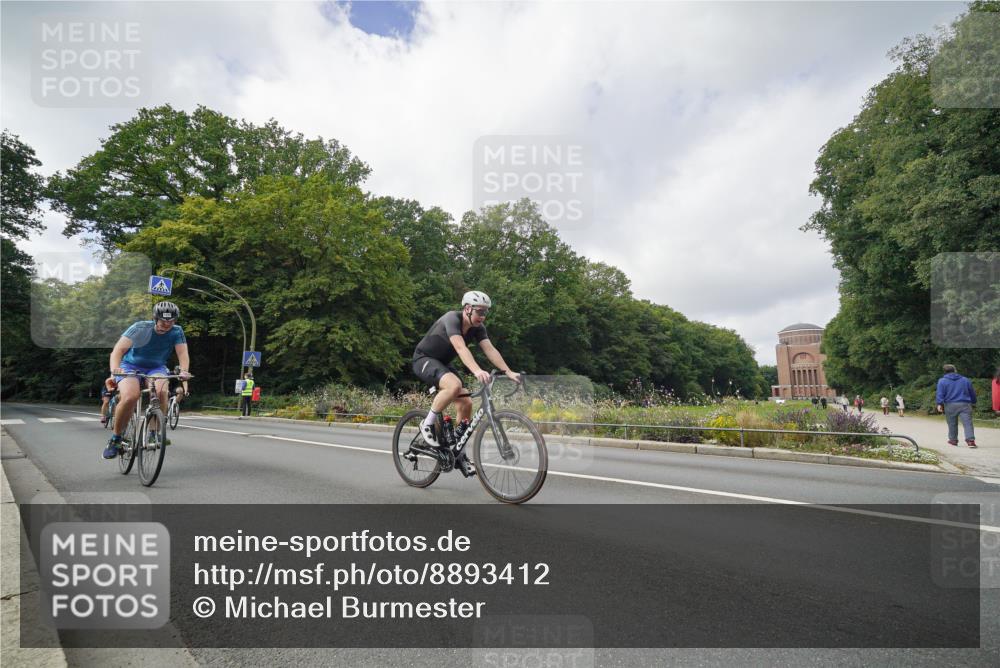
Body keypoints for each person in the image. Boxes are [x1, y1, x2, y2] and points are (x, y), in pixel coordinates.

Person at [411, 291, 520, 476]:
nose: (483, 316)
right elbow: (461, 348)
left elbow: (490, 349)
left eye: (486, 312)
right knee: (453, 386)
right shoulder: (451, 319)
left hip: (443, 364)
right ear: (467, 309)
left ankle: (458, 453)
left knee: (466, 402)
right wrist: (477, 371)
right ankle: (427, 424)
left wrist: (508, 371)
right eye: (479, 311)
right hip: (424, 359)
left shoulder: (478, 328)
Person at [103, 301, 191, 459]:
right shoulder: (140, 327)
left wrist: (184, 371)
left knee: (161, 391)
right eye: (163, 321)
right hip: (130, 365)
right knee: (130, 396)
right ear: (155, 318)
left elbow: (183, 354)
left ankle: (153, 433)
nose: (167, 324)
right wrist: (115, 369)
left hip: (156, 367)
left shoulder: (177, 331)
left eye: (171, 321)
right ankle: (115, 438)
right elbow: (118, 350)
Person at [935, 364, 977, 448]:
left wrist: (939, 403)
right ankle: (970, 441)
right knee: (967, 423)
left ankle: (953, 440)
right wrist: (973, 401)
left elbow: (940, 393)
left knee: (952, 423)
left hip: (950, 405)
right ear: (955, 370)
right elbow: (971, 391)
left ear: (945, 371)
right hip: (965, 404)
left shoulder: (942, 381)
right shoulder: (965, 380)